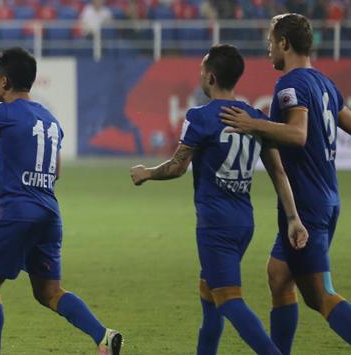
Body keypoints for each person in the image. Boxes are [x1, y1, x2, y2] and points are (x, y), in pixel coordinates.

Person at [129, 44, 309, 355]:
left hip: (216, 224)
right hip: (243, 221)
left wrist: (147, 173)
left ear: (210, 77)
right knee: (209, 299)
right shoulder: (254, 118)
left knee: (228, 301)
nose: (200, 76)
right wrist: (293, 217)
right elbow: (278, 171)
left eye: (201, 70)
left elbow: (176, 167)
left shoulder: (200, 116)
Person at [0, 47, 122, 355]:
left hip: (15, 212)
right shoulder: (50, 119)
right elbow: (54, 170)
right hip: (48, 211)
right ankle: (103, 336)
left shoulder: (2, 112)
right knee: (49, 291)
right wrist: (9, 176)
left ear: (3, 81)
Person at [219, 13, 351, 353]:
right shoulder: (324, 83)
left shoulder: (290, 84)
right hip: (325, 198)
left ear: (284, 43)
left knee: (320, 295)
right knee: (279, 276)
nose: (268, 48)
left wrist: (253, 124)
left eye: (270, 41)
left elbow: (297, 134)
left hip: (306, 204)